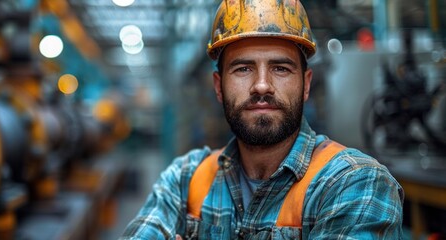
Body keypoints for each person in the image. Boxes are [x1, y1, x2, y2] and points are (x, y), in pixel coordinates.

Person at [120, 0, 404, 239]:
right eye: (243, 69)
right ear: (219, 87)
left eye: (281, 68)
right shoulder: (184, 180)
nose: (262, 86)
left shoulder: (355, 183)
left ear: (306, 85)